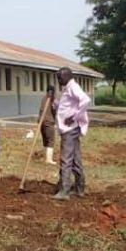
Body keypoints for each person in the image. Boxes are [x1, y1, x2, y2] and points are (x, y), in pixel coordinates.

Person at [54, 67, 90, 200]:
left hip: (69, 130)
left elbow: (85, 100)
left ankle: (64, 190)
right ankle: (80, 189)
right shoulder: (68, 88)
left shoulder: (72, 87)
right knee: (76, 159)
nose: (58, 80)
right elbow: (67, 105)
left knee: (66, 160)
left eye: (60, 77)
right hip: (72, 129)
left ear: (67, 76)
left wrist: (74, 117)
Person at [39, 85, 58, 164]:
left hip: (42, 122)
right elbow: (55, 110)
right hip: (48, 122)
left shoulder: (44, 98)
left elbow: (40, 110)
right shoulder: (53, 99)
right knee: (51, 141)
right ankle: (48, 159)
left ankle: (45, 157)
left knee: (45, 140)